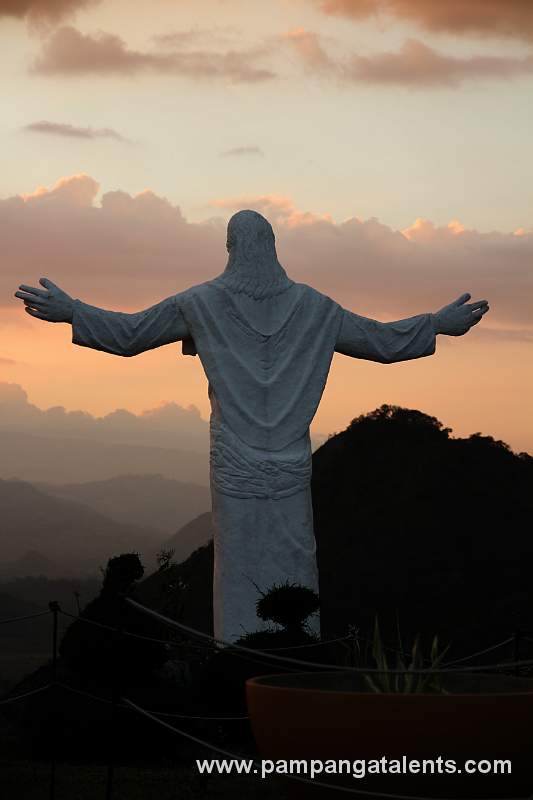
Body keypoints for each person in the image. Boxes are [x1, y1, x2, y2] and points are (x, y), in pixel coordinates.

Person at [14, 209, 489, 642]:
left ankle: (241, 660)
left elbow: (131, 334)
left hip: (234, 462)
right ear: (274, 249)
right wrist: (435, 324)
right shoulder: (315, 308)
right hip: (290, 465)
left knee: (238, 566)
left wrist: (74, 311)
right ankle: (295, 656)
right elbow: (381, 341)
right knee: (295, 558)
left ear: (230, 249)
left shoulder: (200, 303)